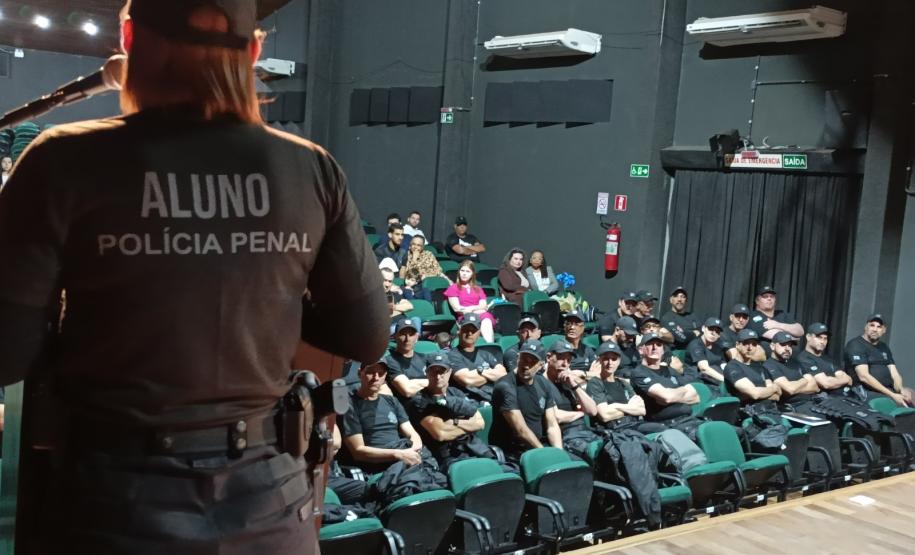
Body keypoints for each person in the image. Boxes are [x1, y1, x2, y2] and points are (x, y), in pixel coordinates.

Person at [0, 1, 389, 552]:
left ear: (129, 37)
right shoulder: (312, 168)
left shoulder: (62, 159)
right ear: (254, 50)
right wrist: (263, 291)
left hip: (112, 505)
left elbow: (7, 353)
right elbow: (365, 337)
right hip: (270, 506)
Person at [341, 360, 424, 474]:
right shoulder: (349, 406)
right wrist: (398, 454)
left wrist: (413, 450)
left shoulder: (391, 401)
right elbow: (358, 451)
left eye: (380, 374)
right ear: (360, 373)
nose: (376, 378)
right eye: (371, 372)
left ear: (385, 376)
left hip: (406, 454)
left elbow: (411, 432)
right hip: (381, 464)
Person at [407, 352, 488, 470]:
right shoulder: (420, 400)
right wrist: (467, 426)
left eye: (442, 371)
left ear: (450, 372)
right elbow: (440, 434)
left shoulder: (456, 393)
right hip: (447, 457)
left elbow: (480, 423)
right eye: (433, 371)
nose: (438, 376)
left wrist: (453, 423)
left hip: (475, 448)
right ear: (426, 373)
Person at [490, 340, 562, 462]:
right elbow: (521, 430)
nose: (526, 365)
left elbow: (552, 425)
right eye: (524, 359)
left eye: (532, 361)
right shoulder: (505, 386)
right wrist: (545, 455)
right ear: (518, 358)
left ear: (541, 365)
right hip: (514, 453)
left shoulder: (543, 383)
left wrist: (559, 454)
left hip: (539, 447)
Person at [542, 340, 600, 458]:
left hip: (585, 432)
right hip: (566, 436)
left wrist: (574, 385)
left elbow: (593, 411)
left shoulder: (568, 381)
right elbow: (556, 416)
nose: (565, 364)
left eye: (568, 360)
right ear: (548, 357)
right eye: (561, 358)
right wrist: (580, 413)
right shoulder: (540, 383)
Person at [629, 333, 700, 425]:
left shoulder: (669, 370)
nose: (655, 348)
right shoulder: (639, 372)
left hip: (688, 419)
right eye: (650, 344)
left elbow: (695, 397)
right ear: (641, 350)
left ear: (663, 350)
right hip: (667, 424)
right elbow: (667, 397)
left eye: (659, 345)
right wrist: (682, 392)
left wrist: (672, 395)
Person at [587, 342, 658, 433]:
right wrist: (630, 408)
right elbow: (605, 415)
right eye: (606, 359)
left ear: (619, 361)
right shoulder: (595, 383)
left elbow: (641, 410)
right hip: (615, 429)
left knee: (662, 429)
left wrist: (616, 406)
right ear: (599, 360)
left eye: (614, 359)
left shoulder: (623, 383)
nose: (610, 363)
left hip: (634, 424)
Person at [845, 314, 913, 406]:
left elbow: (894, 373)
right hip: (866, 392)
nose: (875, 329)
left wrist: (901, 390)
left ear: (884, 330)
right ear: (866, 327)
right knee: (896, 404)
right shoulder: (856, 345)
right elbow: (864, 376)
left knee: (911, 395)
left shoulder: (884, 347)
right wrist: (892, 395)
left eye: (879, 327)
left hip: (887, 390)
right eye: (872, 325)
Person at [448, 314, 507, 402]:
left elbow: (503, 374)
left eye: (473, 330)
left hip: (493, 397)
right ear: (459, 331)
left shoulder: (486, 354)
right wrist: (491, 375)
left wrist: (480, 371)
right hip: (470, 401)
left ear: (479, 333)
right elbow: (468, 380)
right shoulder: (452, 355)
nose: (470, 333)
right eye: (466, 329)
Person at [762, 332, 819, 413]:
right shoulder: (769, 365)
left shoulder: (795, 363)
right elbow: (790, 389)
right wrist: (804, 380)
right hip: (793, 408)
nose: (787, 348)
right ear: (772, 346)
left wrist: (795, 387)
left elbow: (815, 387)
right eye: (783, 344)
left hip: (813, 402)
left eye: (789, 345)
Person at [723, 329, 781, 408]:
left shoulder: (760, 367)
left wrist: (762, 393)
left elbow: (777, 395)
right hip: (750, 413)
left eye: (754, 344)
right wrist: (774, 388)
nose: (750, 348)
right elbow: (755, 394)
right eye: (746, 343)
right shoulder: (732, 367)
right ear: (737, 345)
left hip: (771, 409)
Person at [794, 323, 853, 396]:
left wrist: (834, 380)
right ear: (808, 337)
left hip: (844, 397)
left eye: (825, 338)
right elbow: (826, 384)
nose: (822, 342)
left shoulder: (828, 359)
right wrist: (842, 380)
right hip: (823, 401)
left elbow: (849, 379)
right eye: (819, 337)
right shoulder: (803, 358)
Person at [445, 260, 495, 342]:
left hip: (481, 315)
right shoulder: (453, 288)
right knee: (479, 319)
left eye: (468, 271)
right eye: (462, 271)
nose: (464, 274)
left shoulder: (478, 289)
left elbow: (484, 306)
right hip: (466, 318)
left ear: (472, 274)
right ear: (459, 272)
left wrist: (471, 309)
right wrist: (477, 309)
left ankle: (489, 348)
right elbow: (457, 309)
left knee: (486, 321)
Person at [384, 320, 428, 404]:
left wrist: (414, 383)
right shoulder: (390, 360)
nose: (407, 339)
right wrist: (432, 382)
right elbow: (407, 390)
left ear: (417, 337)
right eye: (403, 334)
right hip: (410, 406)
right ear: (395, 336)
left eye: (411, 335)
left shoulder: (424, 358)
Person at [685, 317, 727, 385]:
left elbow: (723, 365)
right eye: (711, 329)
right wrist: (725, 380)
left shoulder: (718, 347)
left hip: (712, 380)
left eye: (717, 331)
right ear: (703, 328)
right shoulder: (696, 344)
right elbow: (704, 368)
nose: (713, 333)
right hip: (695, 380)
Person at [562, 310, 599, 376]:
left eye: (576, 324)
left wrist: (583, 374)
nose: (572, 327)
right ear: (564, 327)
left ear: (583, 328)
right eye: (569, 323)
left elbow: (598, 371)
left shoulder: (587, 349)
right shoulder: (559, 348)